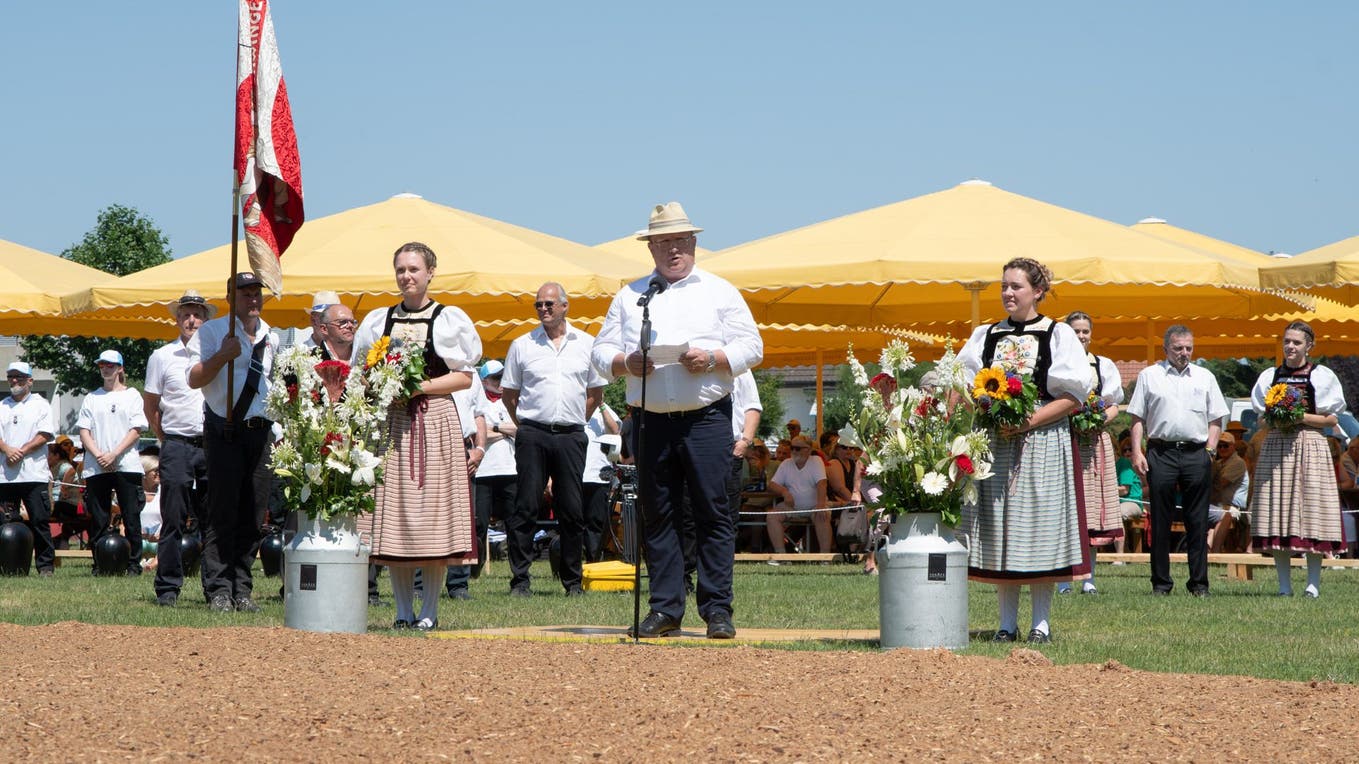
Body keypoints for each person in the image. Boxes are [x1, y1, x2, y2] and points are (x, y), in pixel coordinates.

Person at [592, 201, 763, 639]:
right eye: (664, 242)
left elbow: (754, 347)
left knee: (713, 513)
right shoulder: (631, 296)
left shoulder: (720, 291)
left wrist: (714, 357)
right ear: (650, 247)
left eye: (681, 241)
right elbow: (597, 353)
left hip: (706, 418)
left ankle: (717, 610)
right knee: (658, 515)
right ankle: (665, 609)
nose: (673, 250)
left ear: (694, 244)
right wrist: (626, 362)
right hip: (649, 420)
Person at [959, 258, 1091, 644]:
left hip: (1042, 442)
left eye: (1016, 286)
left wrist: (1029, 421)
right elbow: (963, 383)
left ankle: (1041, 623)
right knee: (999, 528)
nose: (1007, 293)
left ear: (1037, 291)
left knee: (1039, 530)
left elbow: (1074, 395)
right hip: (995, 441)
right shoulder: (986, 334)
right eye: (1004, 286)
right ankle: (1004, 623)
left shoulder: (1058, 333)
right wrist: (982, 408)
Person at [352, 243, 481, 631]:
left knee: (431, 518)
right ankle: (402, 611)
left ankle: (429, 611)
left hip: (435, 421)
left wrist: (420, 386)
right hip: (394, 425)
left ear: (430, 273)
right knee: (394, 520)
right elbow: (361, 371)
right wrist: (381, 387)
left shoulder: (448, 319)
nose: (406, 276)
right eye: (400, 270)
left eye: (413, 269)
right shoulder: (378, 321)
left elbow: (464, 376)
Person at [501, 281, 606, 597]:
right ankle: (520, 580)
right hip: (533, 432)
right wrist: (525, 426)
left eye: (548, 304)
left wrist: (576, 422)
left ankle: (572, 581)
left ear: (564, 306)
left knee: (572, 509)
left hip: (571, 435)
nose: (543, 310)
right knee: (526, 506)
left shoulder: (587, 344)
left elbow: (596, 394)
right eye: (538, 305)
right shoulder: (522, 345)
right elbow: (509, 395)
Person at [187, 273, 278, 612]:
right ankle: (219, 588)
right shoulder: (213, 331)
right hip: (224, 428)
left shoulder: (272, 335)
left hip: (260, 429)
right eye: (246, 294)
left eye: (257, 294)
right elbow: (195, 378)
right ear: (230, 296)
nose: (253, 299)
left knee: (254, 514)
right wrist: (222, 356)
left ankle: (242, 587)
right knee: (223, 511)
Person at [1127, 324, 1228, 597]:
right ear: (1166, 349)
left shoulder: (1205, 376)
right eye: (1178, 348)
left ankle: (1199, 585)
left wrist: (1210, 450)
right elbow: (1137, 417)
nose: (1184, 353)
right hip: (1161, 452)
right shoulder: (1149, 376)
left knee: (1198, 521)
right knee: (1159, 521)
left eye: (1188, 348)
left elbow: (1216, 418)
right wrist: (1137, 452)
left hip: (1197, 453)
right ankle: (1161, 584)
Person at [1248, 321, 1347, 598]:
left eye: (1297, 342)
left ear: (1309, 346)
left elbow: (1331, 418)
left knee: (1311, 511)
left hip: (1310, 444)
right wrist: (1275, 417)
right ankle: (1283, 587)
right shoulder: (1270, 376)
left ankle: (1312, 585)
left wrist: (1299, 416)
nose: (1290, 346)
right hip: (1277, 443)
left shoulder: (1321, 376)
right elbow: (1260, 418)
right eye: (1287, 341)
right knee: (1277, 513)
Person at [143, 289, 214, 607]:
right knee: (172, 518)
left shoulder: (214, 354)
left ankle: (216, 588)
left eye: (197, 314)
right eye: (185, 314)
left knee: (213, 520)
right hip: (177, 444)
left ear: (206, 319)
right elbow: (151, 406)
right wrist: (165, 438)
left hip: (212, 444)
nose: (191, 319)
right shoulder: (161, 356)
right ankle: (168, 588)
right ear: (177, 319)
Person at [1058, 311, 1124, 595]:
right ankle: (1061, 580)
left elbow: (1113, 405)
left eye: (1085, 331)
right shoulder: (1056, 364)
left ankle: (1089, 579)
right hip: (1062, 439)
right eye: (1075, 331)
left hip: (1094, 443)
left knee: (1092, 513)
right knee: (1063, 510)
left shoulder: (1103, 365)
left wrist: (1096, 420)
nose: (1081, 336)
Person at [78, 350, 149, 576]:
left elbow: (136, 430)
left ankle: (133, 564)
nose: (105, 369)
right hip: (96, 465)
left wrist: (114, 454)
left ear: (120, 368)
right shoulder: (92, 397)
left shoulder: (132, 396)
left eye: (110, 365)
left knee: (131, 516)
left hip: (126, 464)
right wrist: (100, 454)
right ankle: (99, 563)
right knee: (98, 518)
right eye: (102, 365)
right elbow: (83, 431)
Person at [0, 361, 57, 576]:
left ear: (30, 381)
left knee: (40, 521)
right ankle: (9, 564)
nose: (15, 380)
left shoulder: (41, 404)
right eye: (11, 376)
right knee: (5, 522)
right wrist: (6, 449)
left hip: (34, 474)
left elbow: (45, 434)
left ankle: (45, 566)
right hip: (5, 475)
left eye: (20, 377)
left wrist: (21, 451)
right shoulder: (2, 405)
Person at [765, 434, 830, 559]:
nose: (794, 451)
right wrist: (784, 492)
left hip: (814, 506)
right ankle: (781, 556)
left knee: (822, 514)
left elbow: (822, 483)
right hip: (792, 507)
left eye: (798, 448)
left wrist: (821, 505)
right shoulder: (786, 463)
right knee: (771, 516)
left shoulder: (816, 461)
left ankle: (825, 557)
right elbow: (772, 485)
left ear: (809, 450)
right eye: (792, 448)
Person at [583, 402, 622, 562]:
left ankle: (594, 560)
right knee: (572, 521)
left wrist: (601, 404)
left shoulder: (603, 410)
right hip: (571, 473)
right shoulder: (571, 404)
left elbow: (615, 430)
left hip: (597, 476)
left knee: (596, 521)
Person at [1206, 432, 1250, 553]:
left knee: (1226, 515)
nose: (1222, 448)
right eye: (1219, 446)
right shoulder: (1219, 462)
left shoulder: (1237, 462)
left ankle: (1215, 549)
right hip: (1217, 504)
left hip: (1232, 506)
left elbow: (1220, 483)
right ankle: (1208, 550)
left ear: (1233, 446)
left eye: (1225, 445)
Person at [47, 435, 87, 550]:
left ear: (57, 455)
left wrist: (63, 489)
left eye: (70, 445)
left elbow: (70, 473)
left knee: (57, 506)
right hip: (58, 502)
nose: (69, 447)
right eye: (65, 445)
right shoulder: (52, 466)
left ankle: (59, 539)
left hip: (69, 504)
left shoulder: (66, 466)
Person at [1113, 437, 1144, 555]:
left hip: (1132, 502)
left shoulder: (1123, 463)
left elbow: (1124, 490)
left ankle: (1119, 557)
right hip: (1117, 502)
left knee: (1116, 513)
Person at [138, 454, 162, 570]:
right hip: (139, 539)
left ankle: (153, 565)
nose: (159, 473)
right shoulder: (134, 494)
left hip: (159, 540)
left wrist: (162, 535)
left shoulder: (165, 492)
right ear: (144, 474)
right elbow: (122, 524)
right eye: (155, 471)